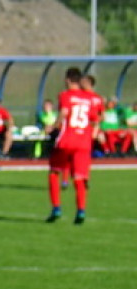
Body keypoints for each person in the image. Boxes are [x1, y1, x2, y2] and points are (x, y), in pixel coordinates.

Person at [47, 67, 102, 225]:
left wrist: (54, 126)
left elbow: (64, 112)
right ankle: (81, 211)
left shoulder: (65, 95)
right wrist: (94, 133)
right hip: (84, 142)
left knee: (54, 172)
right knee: (79, 178)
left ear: (68, 80)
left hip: (66, 140)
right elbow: (95, 118)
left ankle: (56, 208)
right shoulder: (89, 98)